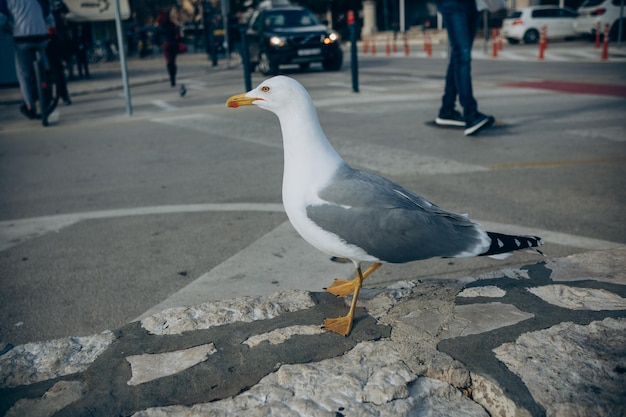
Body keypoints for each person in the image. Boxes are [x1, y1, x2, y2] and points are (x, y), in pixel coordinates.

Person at [434, 0, 495, 136]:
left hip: (474, 4)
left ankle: (447, 110)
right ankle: (471, 114)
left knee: (459, 56)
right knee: (462, 55)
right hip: (452, 3)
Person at [0, 0, 55, 120]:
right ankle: (47, 71)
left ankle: (30, 105)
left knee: (23, 73)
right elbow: (49, 17)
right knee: (42, 49)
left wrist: (4, 30)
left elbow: (2, 18)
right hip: (41, 36)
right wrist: (51, 29)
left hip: (22, 39)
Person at [155, 10, 180, 87]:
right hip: (172, 45)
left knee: (170, 62)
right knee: (172, 61)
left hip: (167, 46)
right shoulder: (172, 25)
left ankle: (172, 76)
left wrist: (160, 44)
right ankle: (173, 76)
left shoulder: (161, 27)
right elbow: (177, 35)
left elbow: (156, 38)